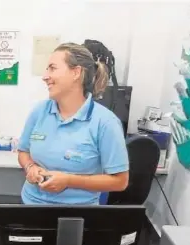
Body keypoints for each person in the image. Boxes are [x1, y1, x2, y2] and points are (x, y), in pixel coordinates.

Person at [17, 42, 129, 205]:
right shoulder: (40, 111)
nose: (45, 76)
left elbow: (120, 181)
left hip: (77, 216)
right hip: (31, 207)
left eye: (52, 68)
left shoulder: (105, 122)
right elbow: (23, 151)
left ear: (76, 72)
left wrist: (69, 180)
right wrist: (30, 168)